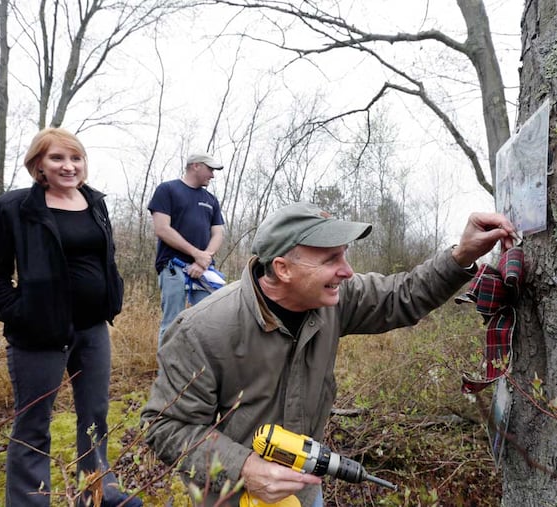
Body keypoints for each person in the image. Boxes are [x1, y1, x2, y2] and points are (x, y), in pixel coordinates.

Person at [141, 201, 516, 507]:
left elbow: (403, 296)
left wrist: (461, 255)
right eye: (330, 259)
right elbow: (166, 427)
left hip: (305, 490)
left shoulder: (334, 300)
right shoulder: (201, 330)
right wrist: (244, 468)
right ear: (282, 268)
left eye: (345, 255)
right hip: (229, 495)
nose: (347, 271)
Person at [0, 128, 142, 507]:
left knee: (95, 416)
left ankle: (97, 494)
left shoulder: (94, 202)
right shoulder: (12, 208)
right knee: (34, 425)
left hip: (93, 329)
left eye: (75, 158)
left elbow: (101, 258)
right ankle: (31, 501)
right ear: (38, 165)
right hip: (40, 334)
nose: (69, 166)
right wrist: (20, 311)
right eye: (57, 158)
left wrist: (111, 294)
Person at [148, 152, 226, 347]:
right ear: (196, 166)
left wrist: (204, 259)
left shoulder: (211, 199)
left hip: (203, 270)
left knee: (206, 324)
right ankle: (166, 376)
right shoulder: (167, 190)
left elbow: (218, 233)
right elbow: (162, 229)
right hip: (173, 268)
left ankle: (196, 374)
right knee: (173, 324)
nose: (213, 175)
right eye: (210, 169)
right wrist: (196, 254)